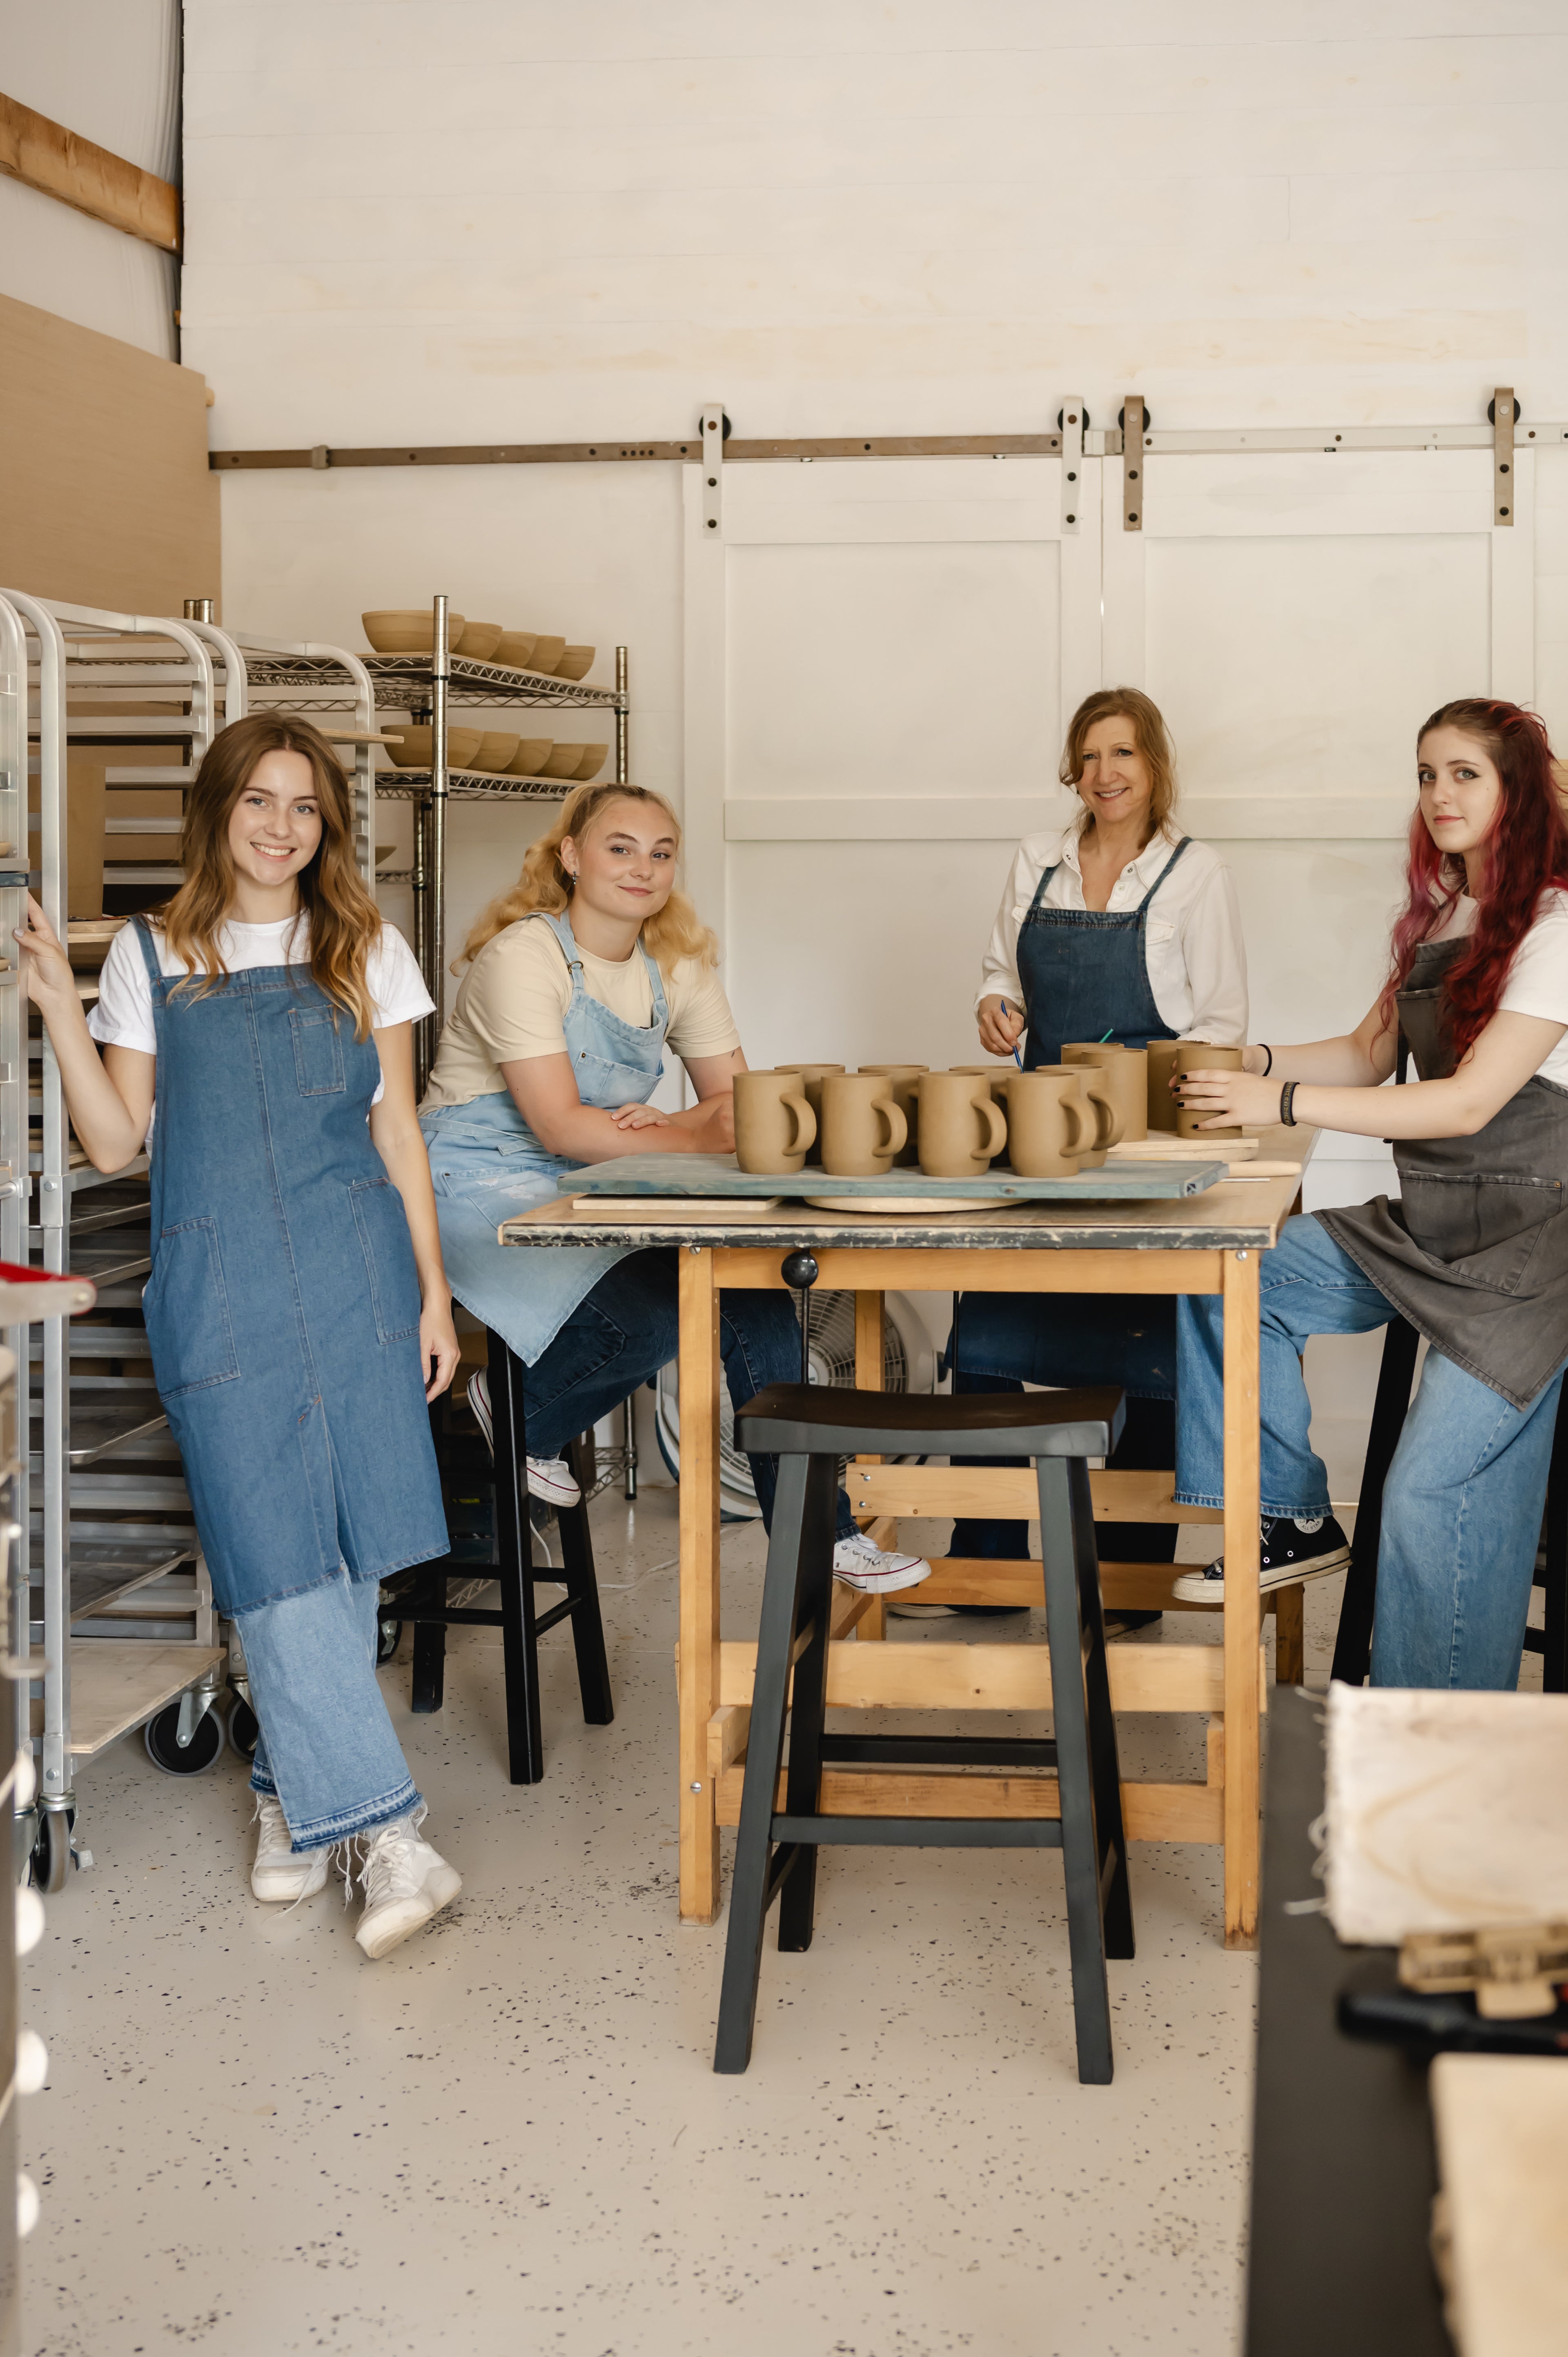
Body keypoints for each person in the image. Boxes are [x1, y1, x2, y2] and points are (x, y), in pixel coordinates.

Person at [20, 711, 466, 1957]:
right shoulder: (152, 954)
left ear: (326, 825)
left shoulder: (364, 946)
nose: (282, 827)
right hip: (221, 1287)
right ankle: (388, 1834)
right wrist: (59, 999)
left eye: (306, 807)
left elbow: (396, 1133)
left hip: (354, 1270)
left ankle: (290, 1801)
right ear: (218, 809)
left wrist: (433, 1292)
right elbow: (117, 1144)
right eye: (259, 801)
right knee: (271, 1544)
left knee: (350, 1538)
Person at [418, 780, 930, 1594]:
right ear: (572, 858)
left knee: (755, 1293)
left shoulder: (677, 966)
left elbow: (743, 1105)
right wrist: (685, 1127)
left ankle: (820, 1536)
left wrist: (668, 1127)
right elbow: (559, 1124)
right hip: (474, 1175)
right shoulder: (523, 957)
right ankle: (516, 1415)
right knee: (652, 1314)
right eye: (620, 848)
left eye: (660, 854)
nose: (643, 869)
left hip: (598, 1173)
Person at [1174, 698, 1568, 1690]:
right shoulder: (1444, 915)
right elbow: (1366, 1053)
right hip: (1432, 1224)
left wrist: (1281, 1100)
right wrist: (1247, 1060)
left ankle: (1431, 1759)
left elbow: (1472, 1104)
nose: (1439, 793)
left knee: (1429, 1492)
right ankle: (1294, 1514)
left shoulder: (1559, 927)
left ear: (1516, 789)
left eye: (1465, 773)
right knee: (1236, 1272)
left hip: (1533, 1251)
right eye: (1428, 773)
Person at [922, 689, 1248, 1621]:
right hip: (1039, 1128)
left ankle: (1128, 1576)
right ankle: (984, 1561)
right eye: (1091, 755)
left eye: (1126, 755)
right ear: (1074, 769)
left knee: (1144, 1338)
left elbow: (1223, 1022)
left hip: (1148, 1131)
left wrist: (1158, 1101)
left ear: (1155, 768)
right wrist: (997, 1006)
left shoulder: (1196, 871)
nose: (1107, 773)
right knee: (984, 1313)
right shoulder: (1038, 860)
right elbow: (1000, 971)